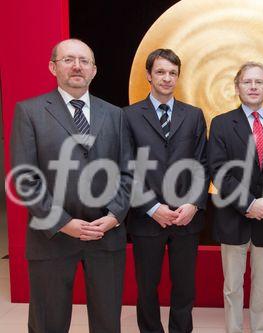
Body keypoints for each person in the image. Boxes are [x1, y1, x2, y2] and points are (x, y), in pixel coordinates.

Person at [10, 38, 132, 332]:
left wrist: (114, 216)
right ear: (53, 67)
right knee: (48, 323)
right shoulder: (30, 112)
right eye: (68, 60)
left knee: (107, 322)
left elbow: (129, 173)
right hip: (52, 237)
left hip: (105, 236)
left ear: (94, 70)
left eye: (84, 61)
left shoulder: (115, 114)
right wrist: (64, 223)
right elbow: (26, 178)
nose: (77, 66)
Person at [124, 48, 209, 333]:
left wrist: (194, 205)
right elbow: (125, 168)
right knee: (147, 287)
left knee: (185, 287)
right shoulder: (128, 116)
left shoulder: (194, 115)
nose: (167, 78)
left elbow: (202, 163)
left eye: (172, 73)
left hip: (186, 217)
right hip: (146, 217)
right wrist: (151, 207)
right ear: (148, 75)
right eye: (160, 72)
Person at [208, 61, 263, 333]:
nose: (253, 86)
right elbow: (219, 171)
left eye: (259, 82)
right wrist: (248, 203)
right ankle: (233, 329)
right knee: (232, 285)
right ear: (237, 87)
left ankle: (261, 329)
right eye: (247, 82)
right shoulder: (221, 124)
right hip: (233, 216)